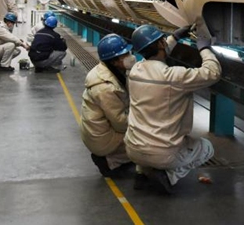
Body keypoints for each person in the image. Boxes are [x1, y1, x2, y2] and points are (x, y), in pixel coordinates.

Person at [124, 18, 221, 194]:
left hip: (132, 149)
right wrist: (205, 49)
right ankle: (169, 176)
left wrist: (174, 37)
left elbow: (156, 53)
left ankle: (142, 173)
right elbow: (212, 73)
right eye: (163, 40)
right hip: (163, 153)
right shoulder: (174, 77)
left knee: (146, 138)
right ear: (161, 44)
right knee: (206, 148)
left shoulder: (134, 71)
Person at [80, 34, 135, 177]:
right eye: (125, 54)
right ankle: (110, 161)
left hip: (101, 131)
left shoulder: (112, 71)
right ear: (115, 61)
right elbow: (120, 123)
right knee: (147, 145)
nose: (130, 56)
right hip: (104, 139)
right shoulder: (104, 87)